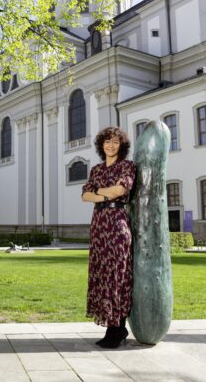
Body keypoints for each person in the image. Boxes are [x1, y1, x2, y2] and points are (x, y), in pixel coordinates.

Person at [81, 127, 136, 349]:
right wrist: (106, 192)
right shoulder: (96, 169)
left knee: (117, 275)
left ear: (121, 145)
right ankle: (110, 328)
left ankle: (118, 327)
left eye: (115, 142)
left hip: (117, 224)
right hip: (99, 225)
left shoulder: (127, 166)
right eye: (107, 142)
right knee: (102, 274)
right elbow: (85, 195)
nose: (111, 146)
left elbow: (121, 191)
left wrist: (100, 193)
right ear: (101, 145)